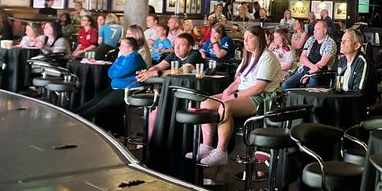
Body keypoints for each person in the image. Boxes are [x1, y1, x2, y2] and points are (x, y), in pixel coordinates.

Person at [193, 25, 283, 166]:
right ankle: (206, 146)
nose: (245, 41)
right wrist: (228, 90)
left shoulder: (267, 57)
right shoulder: (249, 56)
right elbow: (239, 80)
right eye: (245, 38)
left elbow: (259, 88)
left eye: (250, 38)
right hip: (242, 93)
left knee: (225, 106)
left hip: (261, 98)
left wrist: (234, 96)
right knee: (206, 103)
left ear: (259, 39)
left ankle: (221, 152)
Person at [71, 37, 147, 127]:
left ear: (130, 48)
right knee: (96, 99)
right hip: (117, 86)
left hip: (128, 89)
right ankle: (72, 113)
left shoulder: (133, 59)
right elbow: (112, 70)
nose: (119, 48)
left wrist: (115, 69)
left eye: (122, 46)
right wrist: (115, 68)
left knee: (103, 103)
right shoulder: (123, 57)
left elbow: (114, 74)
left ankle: (78, 118)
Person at [281, 21, 337, 89]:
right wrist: (309, 69)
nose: (314, 31)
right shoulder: (311, 39)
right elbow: (302, 57)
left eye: (317, 29)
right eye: (314, 29)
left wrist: (308, 74)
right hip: (303, 70)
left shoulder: (330, 43)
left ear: (324, 31)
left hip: (320, 73)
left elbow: (322, 64)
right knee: (285, 85)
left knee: (311, 86)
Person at [135, 33, 204, 81]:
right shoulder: (173, 54)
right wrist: (147, 72)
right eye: (176, 44)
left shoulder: (195, 54)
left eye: (181, 45)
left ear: (189, 48)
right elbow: (159, 66)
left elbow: (182, 70)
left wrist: (155, 73)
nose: (176, 48)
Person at [335, 28, 376, 95]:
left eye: (346, 41)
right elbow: (338, 87)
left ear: (356, 46)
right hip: (342, 100)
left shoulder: (362, 62)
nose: (342, 43)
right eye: (342, 40)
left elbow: (358, 92)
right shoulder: (342, 61)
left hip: (358, 103)